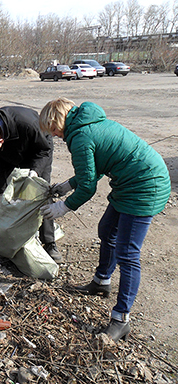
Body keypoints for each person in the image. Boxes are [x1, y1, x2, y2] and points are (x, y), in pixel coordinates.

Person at [38, 97, 170, 342]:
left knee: (128, 254)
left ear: (59, 121)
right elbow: (96, 166)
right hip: (131, 181)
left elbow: (88, 187)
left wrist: (63, 207)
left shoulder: (80, 137)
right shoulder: (89, 124)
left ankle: (121, 319)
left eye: (54, 130)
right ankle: (102, 281)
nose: (55, 135)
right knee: (107, 229)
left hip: (144, 186)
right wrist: (68, 184)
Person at [0, 106, 62, 263]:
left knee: (42, 193)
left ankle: (49, 242)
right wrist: (2, 193)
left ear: (0, 141)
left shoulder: (29, 125)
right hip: (4, 155)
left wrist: (34, 172)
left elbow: (44, 150)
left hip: (36, 151)